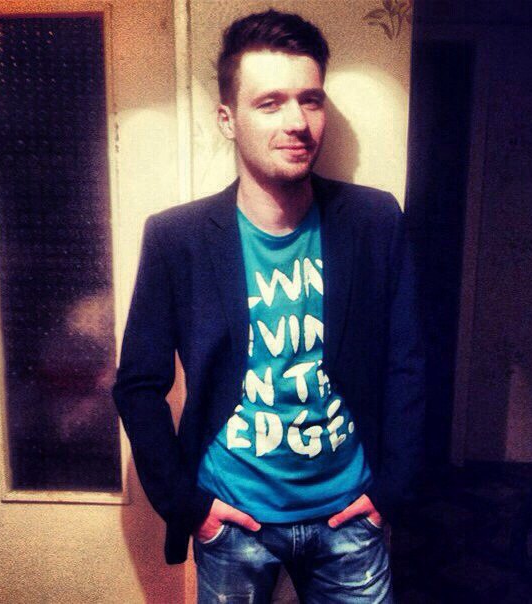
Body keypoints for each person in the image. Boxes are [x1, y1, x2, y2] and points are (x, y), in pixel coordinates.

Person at [112, 9, 425, 603]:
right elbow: (137, 385)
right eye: (270, 103)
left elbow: (405, 363)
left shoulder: (374, 220)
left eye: (311, 100)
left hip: (351, 516)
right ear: (227, 119)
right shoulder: (178, 239)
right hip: (233, 521)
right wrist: (188, 506)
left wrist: (392, 492)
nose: (297, 122)